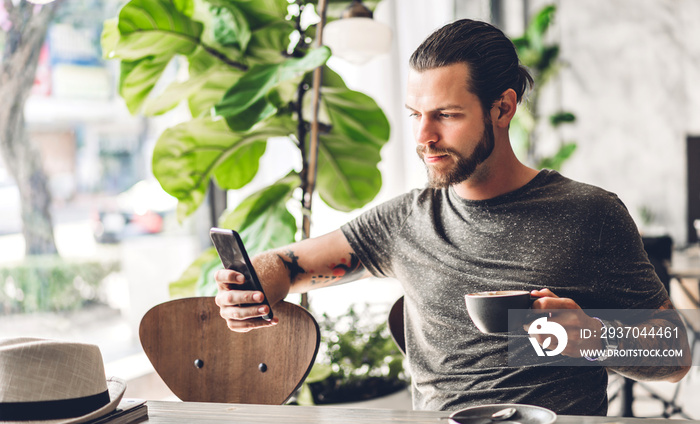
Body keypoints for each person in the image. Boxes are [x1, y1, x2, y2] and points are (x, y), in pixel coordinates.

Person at [215, 19, 690, 415]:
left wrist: (590, 337)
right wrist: (251, 288)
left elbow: (673, 355)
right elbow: (288, 264)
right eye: (415, 114)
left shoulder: (589, 214)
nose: (425, 136)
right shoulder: (405, 220)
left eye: (446, 114)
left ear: (502, 108)